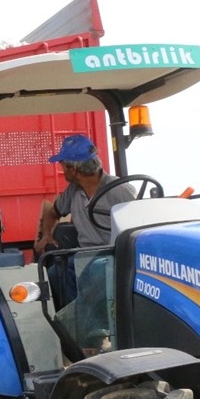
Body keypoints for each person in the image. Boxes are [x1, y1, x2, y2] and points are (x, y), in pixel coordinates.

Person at [33, 133, 135, 353]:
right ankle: (72, 335)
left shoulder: (120, 191)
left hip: (114, 256)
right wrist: (46, 235)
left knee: (94, 274)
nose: (61, 170)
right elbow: (53, 212)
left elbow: (137, 225)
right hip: (84, 256)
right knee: (53, 274)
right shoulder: (73, 192)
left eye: (63, 165)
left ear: (74, 169)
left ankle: (91, 341)